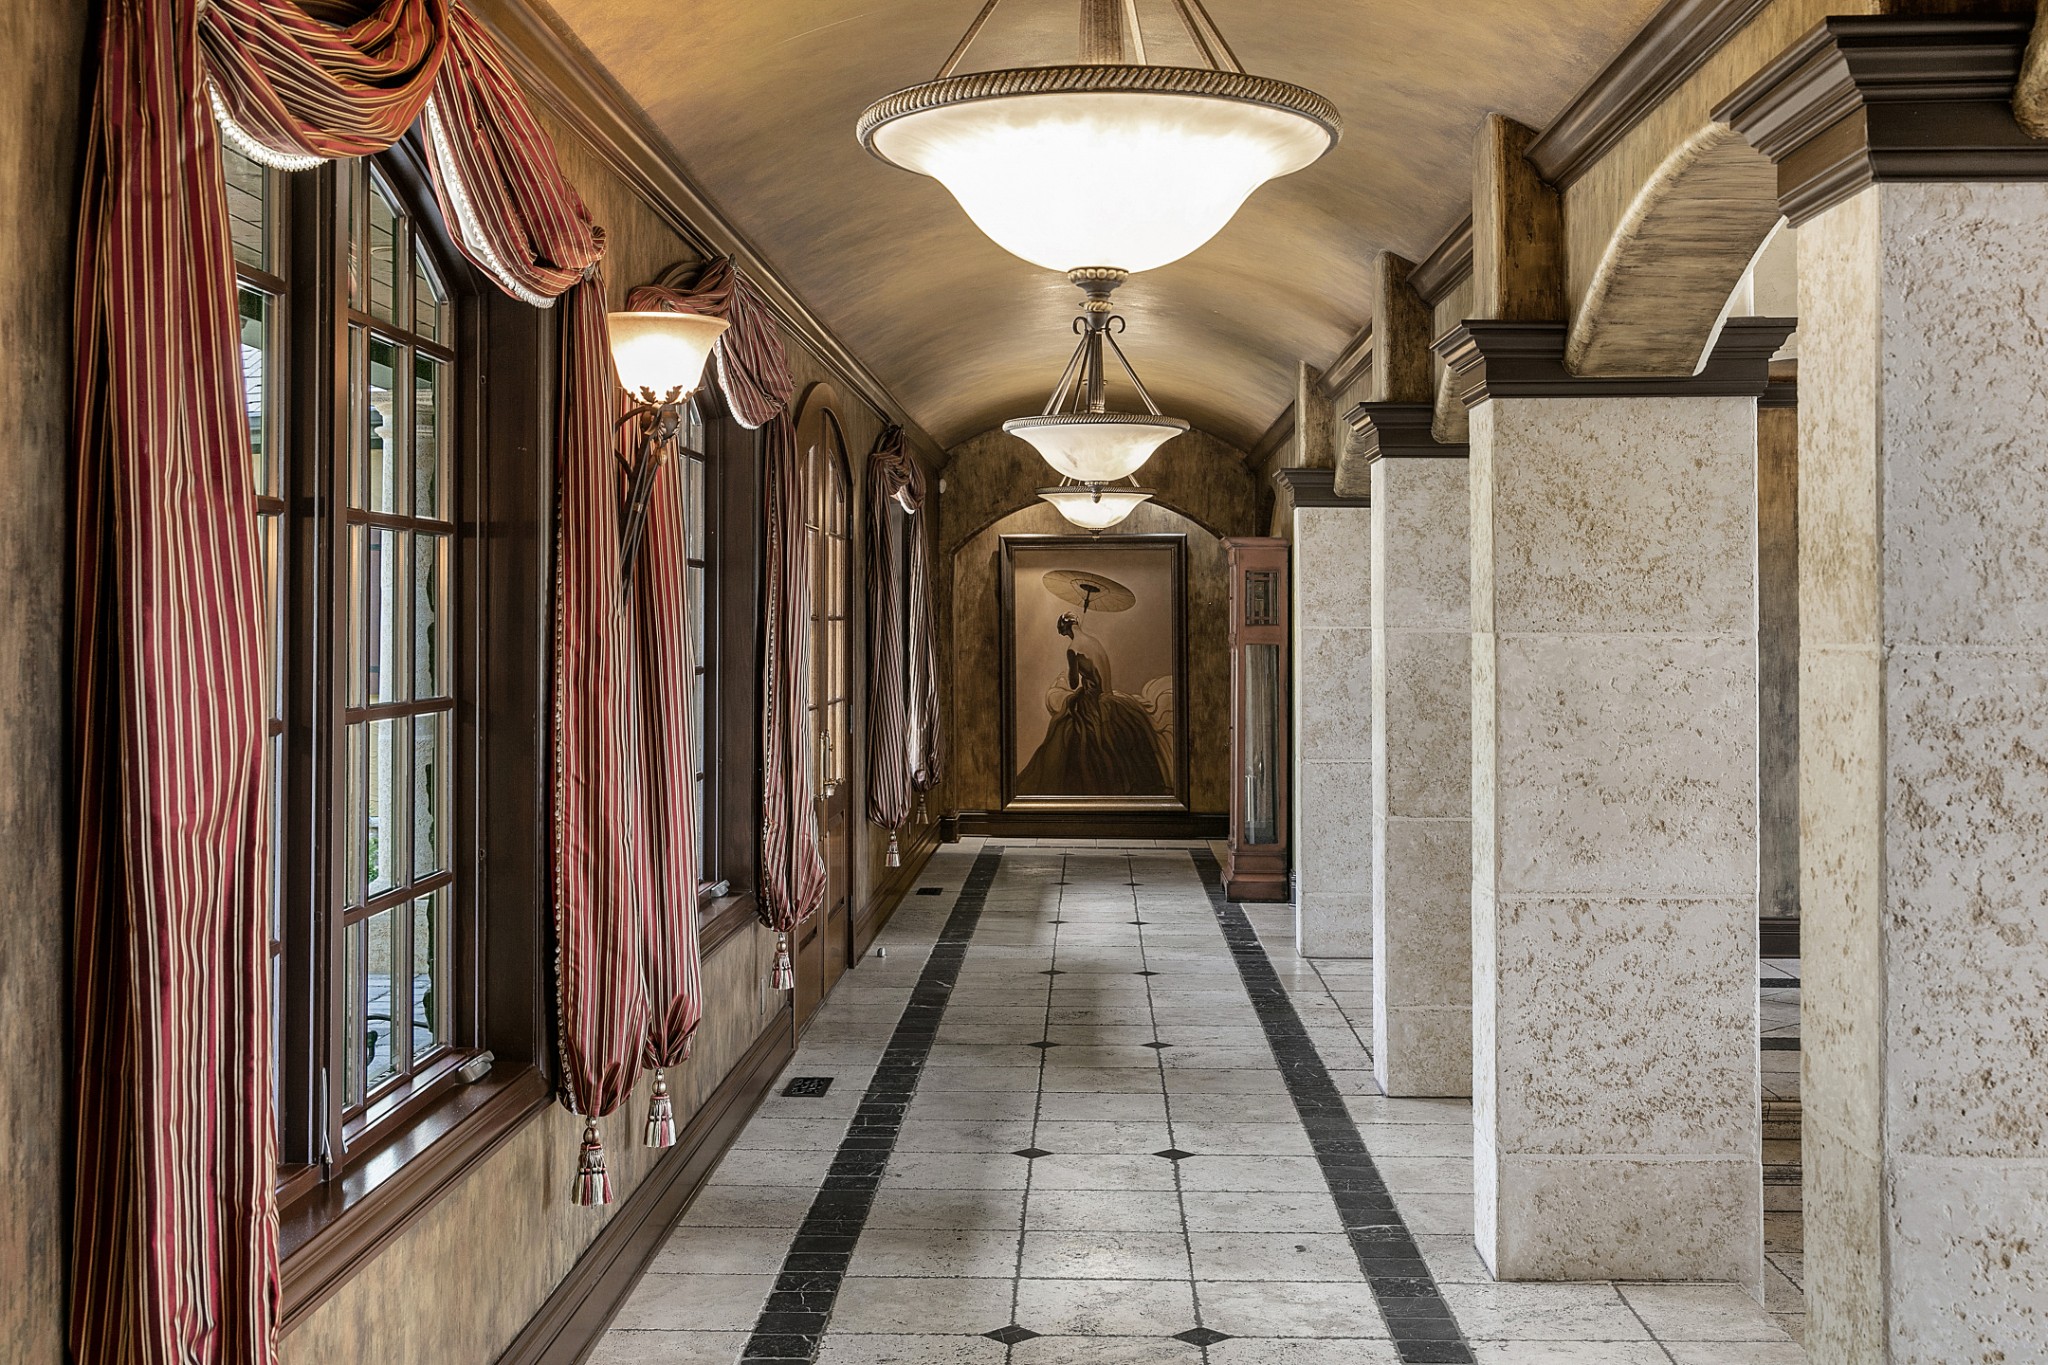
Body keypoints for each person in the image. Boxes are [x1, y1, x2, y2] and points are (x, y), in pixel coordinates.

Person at [1017, 611, 1172, 796]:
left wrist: (1066, 675)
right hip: (1110, 699)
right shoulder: (1094, 642)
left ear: (1066, 629)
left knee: (1062, 729)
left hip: (1093, 702)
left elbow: (1074, 683)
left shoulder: (1073, 648)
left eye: (1063, 632)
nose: (1065, 635)